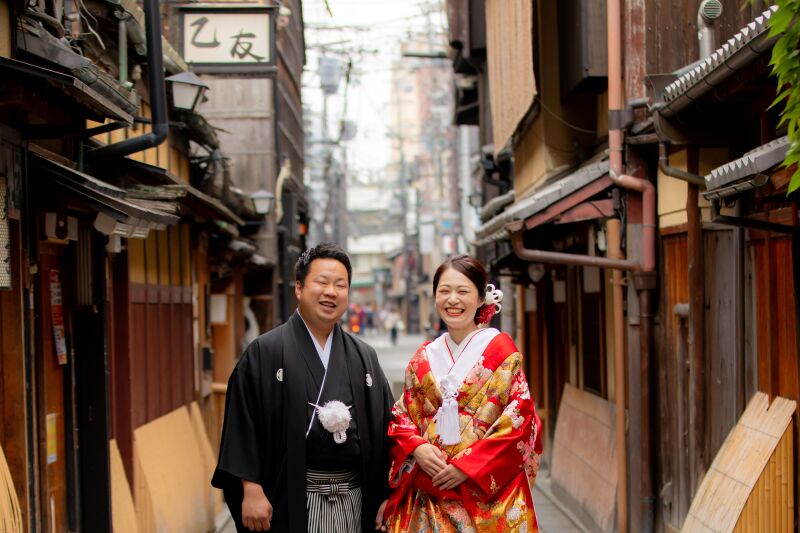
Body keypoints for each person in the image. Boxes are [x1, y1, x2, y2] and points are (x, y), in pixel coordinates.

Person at [212, 243, 395, 532]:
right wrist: (251, 488)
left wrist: (388, 494)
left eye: (340, 285)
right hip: (289, 498)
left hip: (355, 499)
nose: (331, 292)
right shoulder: (265, 351)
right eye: (322, 282)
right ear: (299, 288)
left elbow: (388, 430)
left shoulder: (364, 356)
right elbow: (242, 424)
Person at [383, 254, 543, 532]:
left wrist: (467, 466)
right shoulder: (423, 357)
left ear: (481, 299)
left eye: (463, 291)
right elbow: (401, 415)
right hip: (429, 495)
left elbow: (519, 421)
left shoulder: (502, 353)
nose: (453, 299)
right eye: (444, 291)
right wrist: (417, 448)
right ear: (435, 296)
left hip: (485, 497)